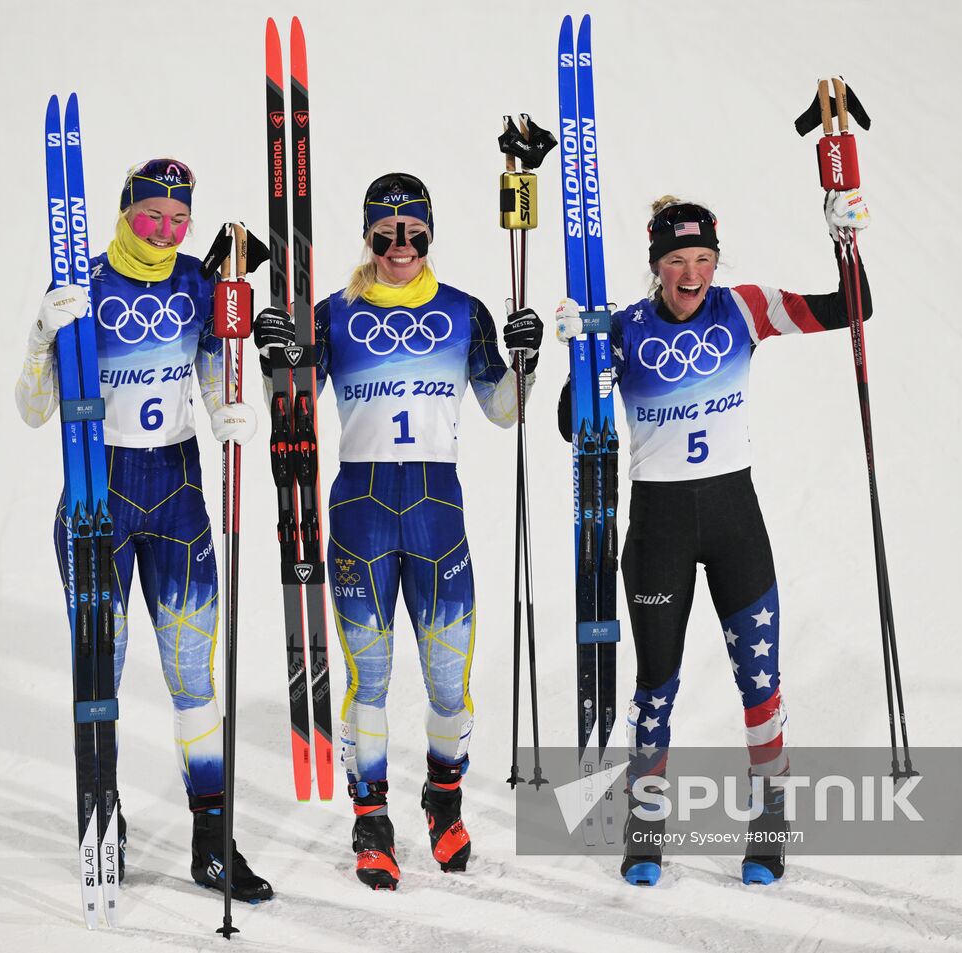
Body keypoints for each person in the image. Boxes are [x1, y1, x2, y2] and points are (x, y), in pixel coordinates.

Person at [554, 189, 873, 887]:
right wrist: (582, 353)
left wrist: (844, 243)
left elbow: (852, 310)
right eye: (677, 260)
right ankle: (644, 833)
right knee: (655, 687)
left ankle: (769, 828)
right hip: (659, 528)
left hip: (734, 522)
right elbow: (572, 424)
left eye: (703, 258)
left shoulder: (744, 309)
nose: (691, 274)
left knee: (760, 687)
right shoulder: (624, 328)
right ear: (656, 265)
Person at [252, 172, 543, 890]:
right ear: (369, 236)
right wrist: (271, 359)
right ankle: (371, 821)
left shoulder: (465, 312)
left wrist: (527, 362)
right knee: (370, 680)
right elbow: (292, 409)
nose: (400, 246)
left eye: (413, 231)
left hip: (438, 514)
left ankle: (444, 801)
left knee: (448, 682)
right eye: (385, 234)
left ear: (429, 233)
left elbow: (504, 410)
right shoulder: (333, 314)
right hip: (361, 515)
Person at [15, 157, 273, 902]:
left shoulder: (199, 283)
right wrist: (42, 334)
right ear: (125, 213)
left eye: (177, 219)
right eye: (150, 216)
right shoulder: (85, 284)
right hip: (99, 495)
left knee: (194, 679)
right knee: (101, 672)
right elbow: (34, 410)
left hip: (178, 495)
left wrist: (233, 409)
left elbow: (216, 372)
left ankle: (213, 840)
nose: (163, 231)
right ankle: (104, 817)